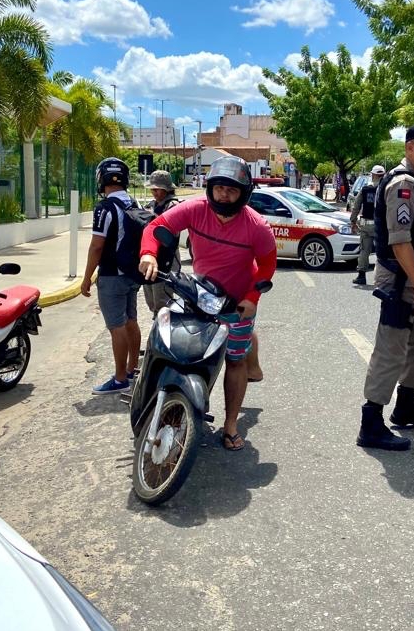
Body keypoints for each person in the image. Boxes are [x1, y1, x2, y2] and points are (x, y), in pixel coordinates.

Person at [139, 156, 277, 450]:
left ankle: (230, 424)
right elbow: (157, 227)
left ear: (243, 192)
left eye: (232, 189)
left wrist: (252, 298)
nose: (224, 194)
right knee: (178, 345)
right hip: (199, 293)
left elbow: (267, 264)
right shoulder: (195, 209)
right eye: (219, 188)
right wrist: (148, 253)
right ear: (210, 188)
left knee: (234, 359)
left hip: (236, 302)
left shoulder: (257, 226)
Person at [357, 124, 414, 452]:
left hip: (407, 277)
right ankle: (371, 423)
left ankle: (406, 406)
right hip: (399, 280)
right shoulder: (403, 184)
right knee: (391, 348)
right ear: (409, 149)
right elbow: (400, 241)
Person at [81, 157, 142, 394]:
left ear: (101, 179)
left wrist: (86, 278)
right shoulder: (134, 203)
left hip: (111, 276)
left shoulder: (104, 208)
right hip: (132, 274)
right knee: (131, 320)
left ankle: (120, 379)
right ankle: (131, 368)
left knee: (116, 326)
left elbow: (97, 246)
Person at [142, 170, 180, 317]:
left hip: (166, 261)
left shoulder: (173, 206)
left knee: (163, 304)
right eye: (153, 189)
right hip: (149, 258)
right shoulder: (150, 205)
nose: (154, 193)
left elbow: (171, 231)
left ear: (167, 189)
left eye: (158, 189)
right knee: (151, 301)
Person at [350, 164, 386, 286]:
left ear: (373, 175)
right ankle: (384, 279)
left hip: (366, 225)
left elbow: (356, 206)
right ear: (383, 175)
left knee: (364, 250)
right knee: (383, 251)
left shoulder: (365, 189)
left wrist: (353, 221)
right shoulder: (387, 189)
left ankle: (361, 276)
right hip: (382, 226)